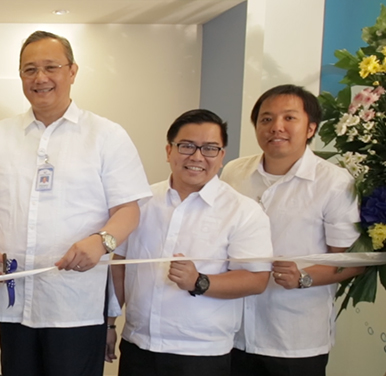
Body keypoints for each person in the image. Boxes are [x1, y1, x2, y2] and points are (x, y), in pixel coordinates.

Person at [0, 30, 151, 376]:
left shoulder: (106, 135)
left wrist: (101, 242)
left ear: (72, 71)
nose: (40, 78)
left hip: (75, 305)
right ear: (20, 76)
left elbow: (128, 209)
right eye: (30, 69)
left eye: (51, 67)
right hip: (14, 299)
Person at [111, 109, 273, 376]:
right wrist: (109, 324)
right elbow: (120, 264)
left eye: (210, 148)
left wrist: (200, 281)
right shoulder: (141, 202)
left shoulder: (243, 211)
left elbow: (257, 279)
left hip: (201, 356)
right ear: (169, 151)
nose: (197, 157)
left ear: (222, 156)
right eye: (187, 146)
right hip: (138, 347)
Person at [221, 85, 364, 376]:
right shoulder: (234, 172)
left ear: (311, 127)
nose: (276, 127)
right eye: (266, 119)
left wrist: (305, 277)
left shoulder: (334, 183)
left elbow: (352, 261)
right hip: (230, 331)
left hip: (294, 339)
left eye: (289, 118)